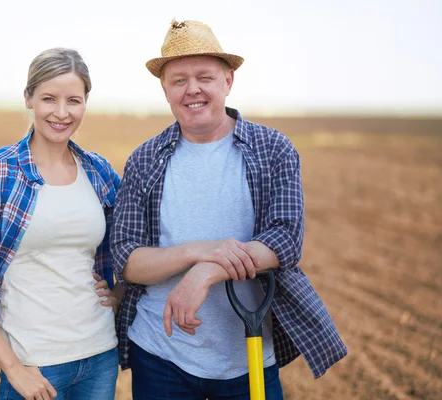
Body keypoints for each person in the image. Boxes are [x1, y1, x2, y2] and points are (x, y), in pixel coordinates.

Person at [110, 19, 347, 399]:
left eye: (204, 77)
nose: (193, 90)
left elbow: (284, 240)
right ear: (165, 89)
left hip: (249, 355)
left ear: (228, 81)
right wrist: (194, 251)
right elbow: (126, 259)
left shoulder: (274, 149)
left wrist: (204, 272)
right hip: (159, 357)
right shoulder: (144, 160)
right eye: (179, 80)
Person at [0, 48, 123, 400]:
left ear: (85, 103)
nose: (61, 113)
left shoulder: (99, 171)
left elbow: (131, 245)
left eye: (73, 101)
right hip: (34, 362)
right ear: (28, 98)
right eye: (49, 98)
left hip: (99, 356)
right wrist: (15, 369)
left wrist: (119, 292)